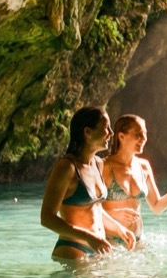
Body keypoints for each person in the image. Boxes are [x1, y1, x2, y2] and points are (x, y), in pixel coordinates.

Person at [40, 106, 136, 261]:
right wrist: (89, 237)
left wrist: (119, 229)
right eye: (106, 128)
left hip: (97, 248)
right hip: (73, 249)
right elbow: (47, 218)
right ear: (87, 132)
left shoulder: (99, 164)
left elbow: (94, 208)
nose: (111, 133)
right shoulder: (67, 167)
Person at [102, 114, 167, 242]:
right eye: (137, 134)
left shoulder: (144, 166)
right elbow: (88, 209)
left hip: (139, 240)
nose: (143, 139)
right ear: (121, 136)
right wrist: (113, 214)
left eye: (144, 134)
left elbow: (156, 206)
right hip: (110, 240)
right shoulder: (104, 166)